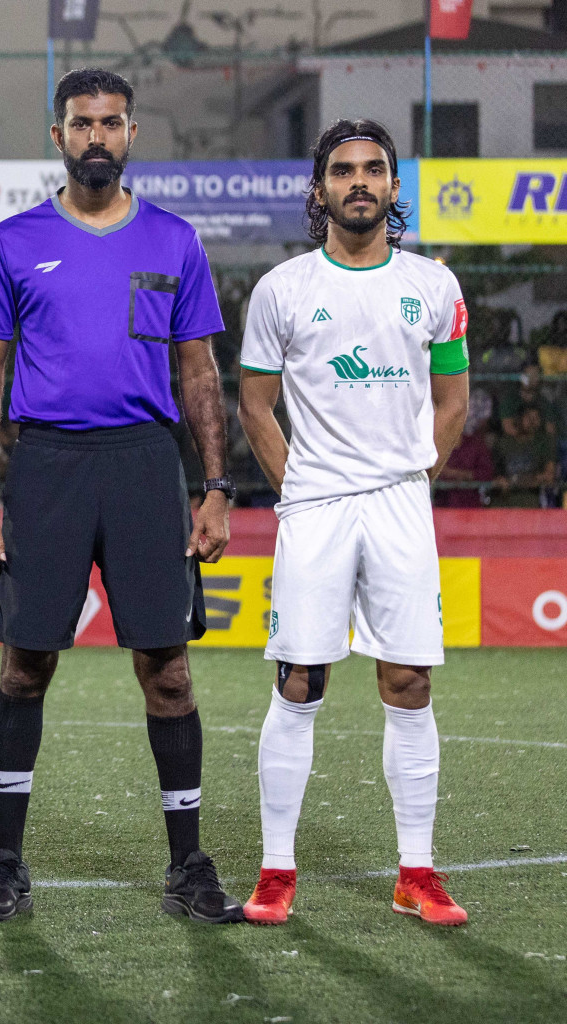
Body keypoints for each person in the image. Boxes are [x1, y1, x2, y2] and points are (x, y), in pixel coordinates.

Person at [0, 68, 241, 924]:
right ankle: (6, 859)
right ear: (58, 137)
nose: (96, 137)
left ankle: (187, 865)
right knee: (25, 666)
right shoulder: (13, 241)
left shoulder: (175, 241)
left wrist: (217, 486)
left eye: (111, 123)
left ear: (131, 133)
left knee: (170, 672)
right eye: (82, 124)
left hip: (146, 466)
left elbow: (198, 372)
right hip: (45, 466)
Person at [236, 119, 471, 927]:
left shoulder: (434, 286)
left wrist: (412, 477)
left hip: (401, 503)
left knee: (408, 681)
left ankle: (417, 872)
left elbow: (454, 401)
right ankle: (275, 871)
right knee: (300, 679)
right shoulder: (284, 289)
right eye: (343, 170)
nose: (359, 182)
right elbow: (255, 405)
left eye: (374, 169)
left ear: (393, 186)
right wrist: (300, 485)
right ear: (320, 188)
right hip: (316, 508)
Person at [435, 391, 494, 508]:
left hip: (472, 507)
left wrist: (457, 474)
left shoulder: (475, 444)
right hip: (441, 507)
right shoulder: (435, 444)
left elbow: (487, 473)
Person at [491, 405, 558, 508]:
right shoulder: (504, 443)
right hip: (504, 502)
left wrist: (525, 480)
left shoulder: (543, 443)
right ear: (518, 419)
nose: (532, 422)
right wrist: (500, 480)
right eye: (529, 417)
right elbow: (491, 473)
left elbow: (549, 475)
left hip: (530, 502)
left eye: (536, 418)